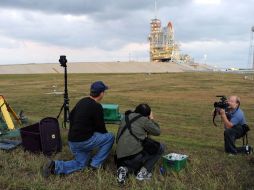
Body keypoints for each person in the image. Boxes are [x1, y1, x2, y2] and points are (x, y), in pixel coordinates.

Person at [42, 81, 114, 177]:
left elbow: (71, 116)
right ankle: (95, 164)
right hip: (84, 141)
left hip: (72, 141)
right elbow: (101, 129)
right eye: (104, 92)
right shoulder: (97, 107)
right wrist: (101, 136)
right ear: (101, 93)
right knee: (110, 137)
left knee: (81, 165)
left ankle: (54, 166)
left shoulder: (82, 101)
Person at [115, 104, 164, 184]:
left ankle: (125, 169)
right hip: (133, 157)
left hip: (118, 157)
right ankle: (143, 173)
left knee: (138, 149)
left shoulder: (125, 117)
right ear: (146, 115)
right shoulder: (144, 120)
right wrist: (151, 119)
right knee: (161, 147)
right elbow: (157, 131)